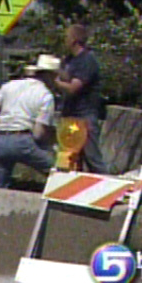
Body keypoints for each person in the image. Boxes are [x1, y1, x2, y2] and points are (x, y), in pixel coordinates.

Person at [0, 54, 60, 189]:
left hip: (1, 139)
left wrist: (6, 120)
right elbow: (38, 133)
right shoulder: (45, 95)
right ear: (50, 76)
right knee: (56, 171)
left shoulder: (9, 85)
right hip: (22, 140)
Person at [53, 24, 108, 174]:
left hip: (85, 115)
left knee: (92, 157)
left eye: (67, 36)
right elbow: (67, 76)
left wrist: (56, 83)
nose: (64, 40)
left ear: (74, 40)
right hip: (69, 114)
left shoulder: (87, 61)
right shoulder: (70, 60)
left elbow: (73, 88)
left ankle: (105, 186)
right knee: (68, 158)